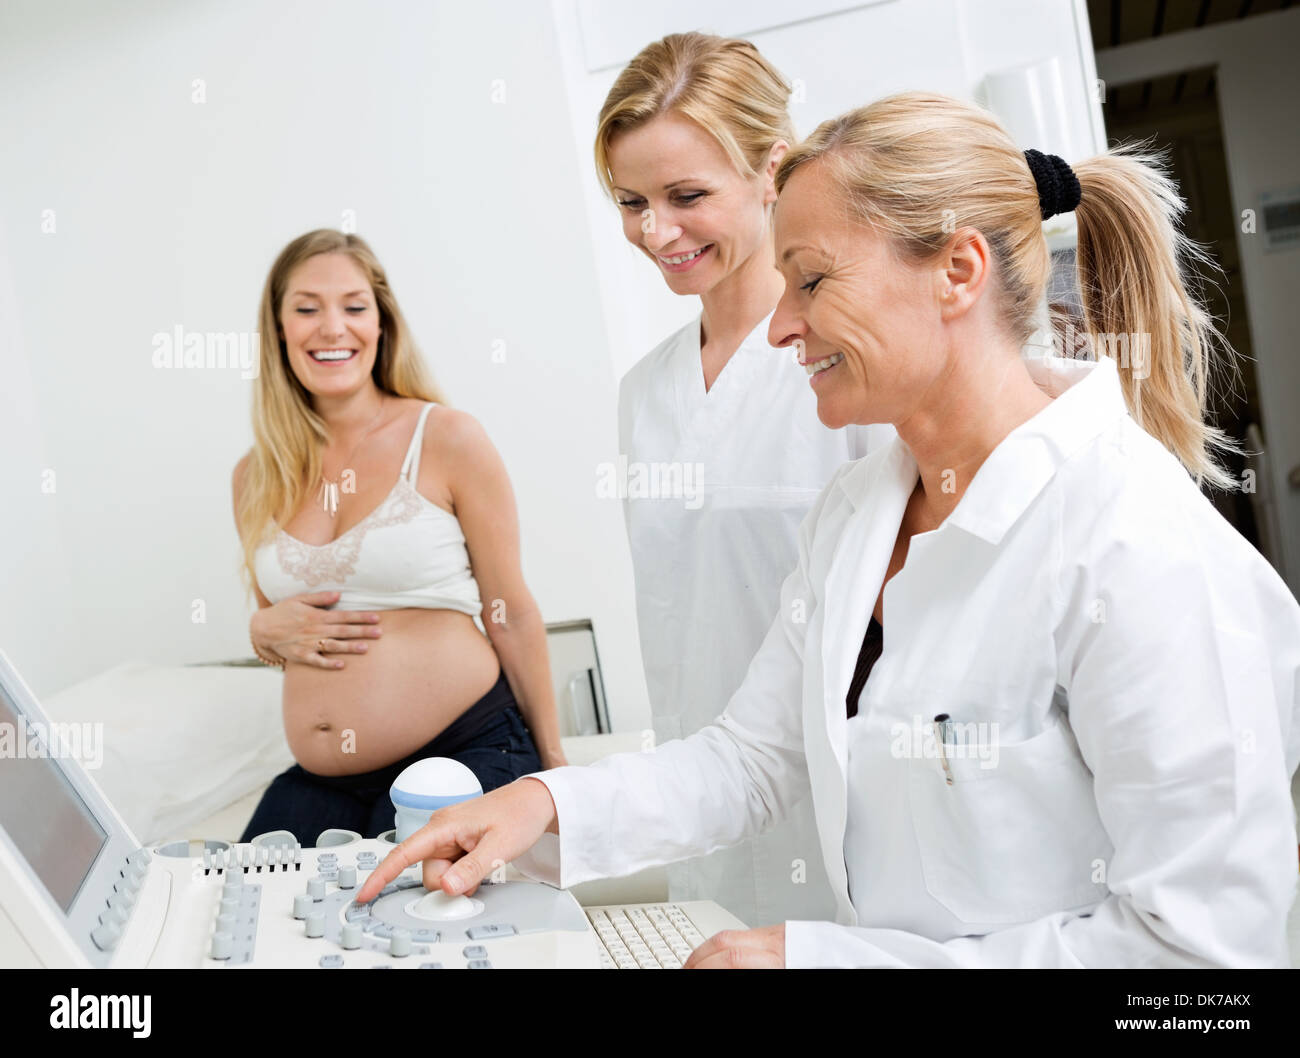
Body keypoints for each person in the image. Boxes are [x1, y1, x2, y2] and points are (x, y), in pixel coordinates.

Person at [358, 93, 1300, 968]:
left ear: (957, 272)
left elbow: (1203, 969)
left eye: (808, 281)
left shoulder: (1138, 547)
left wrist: (828, 964)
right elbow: (751, 757)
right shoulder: (859, 515)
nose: (780, 329)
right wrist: (541, 800)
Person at [597, 31, 890, 928]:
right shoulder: (645, 392)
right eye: (631, 201)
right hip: (705, 819)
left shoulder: (848, 364)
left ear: (772, 171)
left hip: (850, 824)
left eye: (688, 196)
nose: (657, 231)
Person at [232, 230, 565, 846]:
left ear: (382, 324)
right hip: (323, 781)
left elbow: (510, 610)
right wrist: (260, 633)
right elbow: (287, 628)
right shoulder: (255, 476)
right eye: (307, 308)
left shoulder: (446, 438)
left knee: (418, 924)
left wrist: (554, 770)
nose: (333, 327)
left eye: (354, 306)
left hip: (462, 749)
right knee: (243, 919)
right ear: (278, 330)